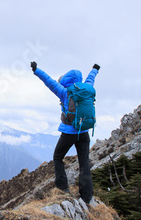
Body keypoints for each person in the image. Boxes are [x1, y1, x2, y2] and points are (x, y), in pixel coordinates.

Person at [30, 61, 100, 203]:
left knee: (57, 157)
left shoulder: (64, 92)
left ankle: (63, 189)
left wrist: (36, 70)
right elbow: (91, 78)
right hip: (84, 132)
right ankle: (86, 196)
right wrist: (95, 69)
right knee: (84, 162)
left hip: (69, 133)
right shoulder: (86, 88)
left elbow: (49, 81)